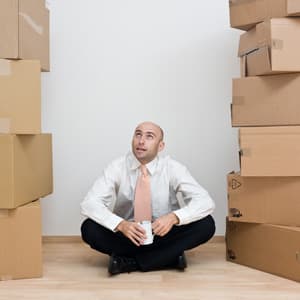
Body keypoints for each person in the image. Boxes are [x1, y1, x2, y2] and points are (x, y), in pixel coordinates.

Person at [80, 121, 215, 275]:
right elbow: (89, 204)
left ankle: (127, 262)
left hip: (163, 234)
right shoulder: (117, 167)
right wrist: (121, 225)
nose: (141, 141)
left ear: (160, 146)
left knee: (206, 224)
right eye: (138, 135)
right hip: (128, 234)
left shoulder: (173, 168)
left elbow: (205, 201)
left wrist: (173, 218)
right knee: (89, 228)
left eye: (149, 136)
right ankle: (168, 258)